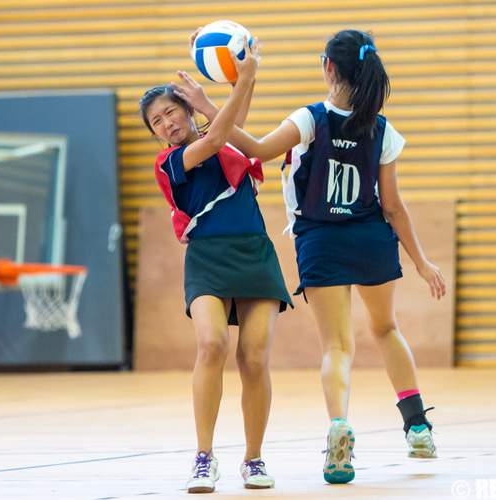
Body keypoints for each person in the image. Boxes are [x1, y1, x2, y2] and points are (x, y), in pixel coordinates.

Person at [175, 28, 447, 485]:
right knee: (386, 328)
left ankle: (339, 424)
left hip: (322, 240)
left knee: (338, 346)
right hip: (371, 237)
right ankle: (417, 426)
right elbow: (394, 205)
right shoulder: (383, 129)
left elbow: (257, 149)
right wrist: (421, 261)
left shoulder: (312, 118)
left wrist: (208, 108)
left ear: (328, 68)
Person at [139, 37, 291, 493]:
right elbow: (221, 131)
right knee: (211, 346)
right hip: (206, 258)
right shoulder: (170, 164)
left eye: (171, 113)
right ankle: (204, 457)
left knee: (255, 358)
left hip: (254, 254)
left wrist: (247, 79)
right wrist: (231, 89)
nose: (167, 124)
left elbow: (231, 125)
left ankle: (254, 459)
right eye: (157, 122)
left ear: (186, 112)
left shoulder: (217, 137)